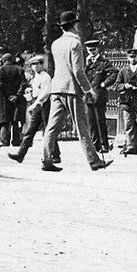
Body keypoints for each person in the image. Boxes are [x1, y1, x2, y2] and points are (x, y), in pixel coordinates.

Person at [42, 12, 110, 172]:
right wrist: (89, 90)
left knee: (51, 127)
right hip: (72, 90)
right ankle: (94, 161)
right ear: (74, 25)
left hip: (56, 88)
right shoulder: (76, 43)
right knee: (82, 127)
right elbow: (78, 70)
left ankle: (46, 159)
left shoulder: (55, 44)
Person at [9, 55, 53, 164]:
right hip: (37, 104)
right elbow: (33, 90)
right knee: (30, 131)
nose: (35, 67)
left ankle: (55, 154)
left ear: (42, 65)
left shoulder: (45, 77)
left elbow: (45, 93)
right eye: (33, 65)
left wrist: (35, 104)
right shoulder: (35, 77)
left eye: (37, 64)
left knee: (48, 131)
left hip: (44, 105)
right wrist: (29, 94)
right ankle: (21, 154)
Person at [115, 49, 137, 155]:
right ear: (128, 58)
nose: (133, 59)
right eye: (131, 57)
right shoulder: (123, 71)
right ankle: (131, 146)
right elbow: (116, 85)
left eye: (135, 56)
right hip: (127, 101)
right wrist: (124, 86)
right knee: (128, 125)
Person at [84, 38, 115, 154]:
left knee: (100, 120)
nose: (92, 52)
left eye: (93, 49)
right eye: (89, 50)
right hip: (88, 96)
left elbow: (114, 73)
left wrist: (104, 83)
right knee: (91, 121)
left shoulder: (104, 62)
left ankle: (104, 144)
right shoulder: (86, 63)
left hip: (99, 95)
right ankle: (95, 144)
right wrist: (86, 65)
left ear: (97, 49)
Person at [0, 53, 24, 148]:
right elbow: (23, 84)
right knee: (15, 119)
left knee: (1, 119)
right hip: (16, 98)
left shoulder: (0, 70)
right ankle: (16, 140)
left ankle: (3, 140)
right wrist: (16, 95)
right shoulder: (19, 70)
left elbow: (0, 84)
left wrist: (8, 95)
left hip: (2, 98)